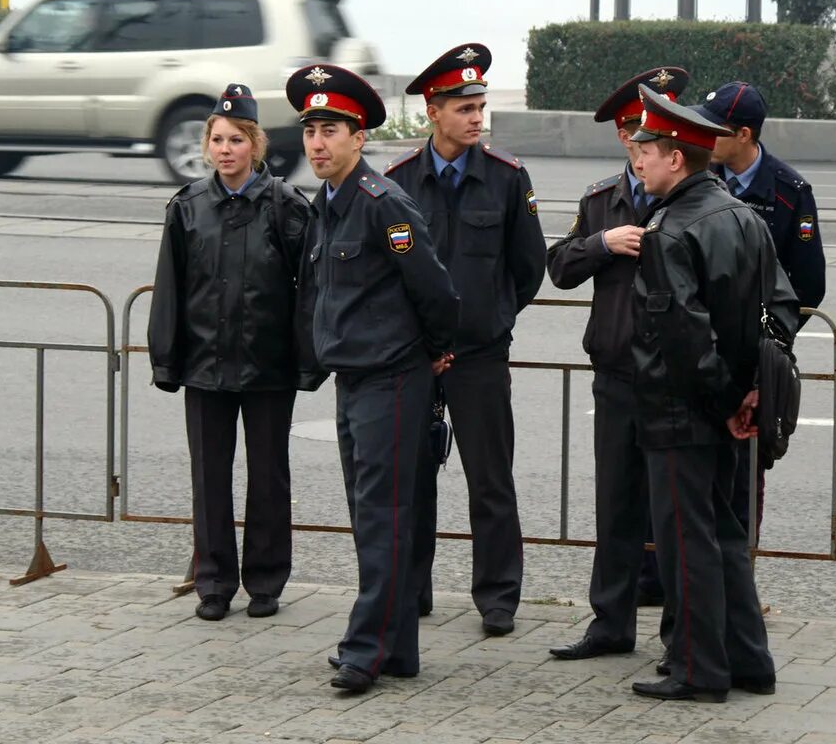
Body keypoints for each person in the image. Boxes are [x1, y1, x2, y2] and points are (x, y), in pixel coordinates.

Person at [287, 63, 459, 694]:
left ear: (359, 138)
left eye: (330, 130)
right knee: (371, 516)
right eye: (310, 131)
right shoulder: (328, 204)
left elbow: (437, 292)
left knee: (384, 517)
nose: (317, 144)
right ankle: (398, 648)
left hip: (391, 378)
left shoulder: (382, 204)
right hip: (353, 377)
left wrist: (435, 353)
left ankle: (367, 648)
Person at [384, 43, 546, 637]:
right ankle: (413, 589)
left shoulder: (506, 178)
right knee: (412, 479)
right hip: (417, 356)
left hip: (479, 355)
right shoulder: (399, 180)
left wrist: (491, 320)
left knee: (490, 480)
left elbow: (528, 268)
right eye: (464, 107)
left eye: (480, 105)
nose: (477, 117)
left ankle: (498, 597)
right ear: (434, 111)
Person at [627, 85, 780, 703]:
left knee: (686, 544)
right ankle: (748, 662)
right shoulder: (741, 215)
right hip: (727, 409)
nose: (637, 157)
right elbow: (783, 311)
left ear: (676, 156)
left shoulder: (669, 230)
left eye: (646, 147)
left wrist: (723, 402)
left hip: (681, 413)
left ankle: (698, 669)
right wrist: (749, 395)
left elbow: (685, 340)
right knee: (722, 538)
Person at [148, 83, 309, 623]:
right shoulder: (188, 207)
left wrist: (307, 360)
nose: (225, 149)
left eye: (236, 139)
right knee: (209, 477)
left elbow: (308, 288)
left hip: (268, 367)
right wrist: (166, 359)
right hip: (205, 365)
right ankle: (213, 582)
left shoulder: (285, 206)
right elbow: (170, 287)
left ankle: (266, 582)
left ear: (255, 145)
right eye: (216, 139)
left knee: (268, 476)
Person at [545, 67, 690, 662]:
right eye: (633, 129)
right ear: (622, 137)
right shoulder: (602, 198)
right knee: (616, 505)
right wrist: (603, 244)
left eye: (653, 128)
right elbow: (558, 266)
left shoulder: (693, 198)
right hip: (615, 375)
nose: (640, 139)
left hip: (674, 379)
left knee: (675, 513)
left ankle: (682, 637)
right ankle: (610, 622)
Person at [697, 81, 826, 541]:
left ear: (745, 136)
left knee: (744, 478)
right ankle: (674, 584)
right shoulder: (697, 179)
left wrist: (767, 350)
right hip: (699, 351)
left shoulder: (789, 192)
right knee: (691, 471)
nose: (702, 136)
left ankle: (738, 591)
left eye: (715, 129)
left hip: (754, 359)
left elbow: (807, 285)